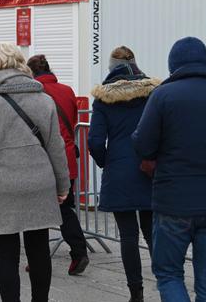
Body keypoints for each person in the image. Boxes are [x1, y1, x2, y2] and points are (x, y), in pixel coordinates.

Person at [131, 37, 206, 301]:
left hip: (172, 202)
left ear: (173, 65)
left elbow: (143, 145)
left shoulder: (162, 96)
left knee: (168, 273)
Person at [0, 42, 70, 302]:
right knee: (39, 249)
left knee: (7, 253)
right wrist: (62, 184)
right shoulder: (44, 101)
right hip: (39, 183)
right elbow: (57, 147)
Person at [89, 46, 160, 302]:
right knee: (153, 232)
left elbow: (95, 141)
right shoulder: (154, 93)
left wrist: (106, 162)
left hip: (119, 170)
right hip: (150, 169)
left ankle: (136, 293)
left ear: (111, 66)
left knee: (128, 236)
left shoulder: (103, 99)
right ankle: (166, 283)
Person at [27, 54, 89, 275]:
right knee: (65, 206)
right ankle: (78, 250)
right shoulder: (67, 90)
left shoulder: (33, 93)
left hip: (44, 157)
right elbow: (72, 121)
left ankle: (38, 257)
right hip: (68, 155)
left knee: (39, 209)